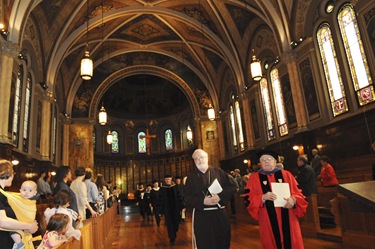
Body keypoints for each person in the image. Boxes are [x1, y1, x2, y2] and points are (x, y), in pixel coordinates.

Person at [246, 150, 308, 249]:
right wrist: (262, 197)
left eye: (269, 159)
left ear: (275, 162)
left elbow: (298, 193)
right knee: (270, 242)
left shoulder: (286, 175)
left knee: (292, 241)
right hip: (267, 218)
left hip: (288, 215)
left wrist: (294, 200)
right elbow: (248, 198)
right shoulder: (254, 178)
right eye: (263, 160)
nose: (266, 161)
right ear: (260, 163)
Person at [184, 149, 237, 249]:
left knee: (223, 241)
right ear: (194, 161)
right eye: (197, 159)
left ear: (207, 158)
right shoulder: (191, 178)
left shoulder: (218, 172)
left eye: (202, 157)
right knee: (205, 244)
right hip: (202, 216)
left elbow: (233, 186)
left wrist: (220, 196)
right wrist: (202, 201)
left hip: (219, 214)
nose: (200, 160)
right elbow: (187, 196)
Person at [0, 159, 38, 249]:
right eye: (13, 173)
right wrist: (29, 226)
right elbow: (2, 221)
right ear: (8, 174)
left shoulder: (3, 193)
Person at [158, 174, 184, 246]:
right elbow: (160, 200)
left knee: (176, 223)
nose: (167, 181)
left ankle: (174, 232)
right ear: (164, 180)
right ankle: (172, 238)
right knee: (169, 224)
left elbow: (179, 196)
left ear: (171, 179)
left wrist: (182, 206)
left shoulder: (175, 187)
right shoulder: (162, 189)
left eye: (168, 179)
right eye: (166, 180)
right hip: (167, 210)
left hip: (175, 208)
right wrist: (160, 211)